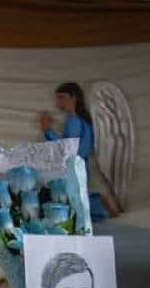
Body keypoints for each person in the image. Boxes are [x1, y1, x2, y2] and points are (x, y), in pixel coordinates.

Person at [38, 82, 124, 220]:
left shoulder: (74, 121)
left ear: (74, 98)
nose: (58, 102)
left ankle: (100, 206)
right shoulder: (81, 120)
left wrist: (48, 130)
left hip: (77, 164)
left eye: (62, 97)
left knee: (72, 199)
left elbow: (67, 147)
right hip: (81, 163)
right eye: (57, 98)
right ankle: (101, 204)